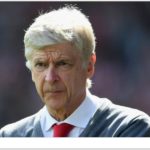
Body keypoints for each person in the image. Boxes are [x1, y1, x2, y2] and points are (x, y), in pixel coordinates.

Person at [0, 5, 150, 137]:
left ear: (89, 66)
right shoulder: (9, 136)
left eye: (63, 63)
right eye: (41, 65)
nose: (50, 78)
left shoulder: (129, 129)